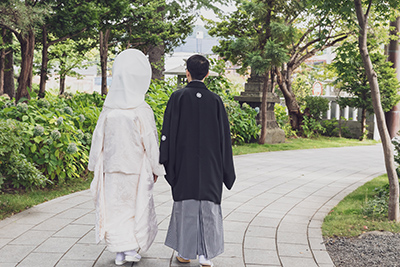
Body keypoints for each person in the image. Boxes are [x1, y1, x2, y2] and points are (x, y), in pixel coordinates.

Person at [88, 49, 165, 266]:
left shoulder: (109, 108)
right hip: (136, 168)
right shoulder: (141, 109)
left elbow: (98, 140)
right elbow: (150, 142)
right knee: (135, 206)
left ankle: (119, 250)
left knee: (114, 208)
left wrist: (94, 165)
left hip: (111, 168)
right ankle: (131, 248)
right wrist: (156, 167)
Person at [159, 54, 236, 267]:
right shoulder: (216, 101)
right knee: (209, 207)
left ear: (187, 73)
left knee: (187, 206)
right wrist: (226, 168)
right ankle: (206, 255)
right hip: (211, 165)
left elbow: (168, 132)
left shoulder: (178, 97)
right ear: (207, 74)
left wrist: (166, 159)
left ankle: (185, 253)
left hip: (184, 164)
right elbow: (224, 138)